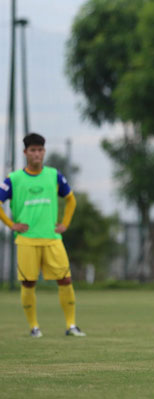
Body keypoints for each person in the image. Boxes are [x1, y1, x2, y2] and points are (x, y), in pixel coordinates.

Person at [0, 133, 85, 338]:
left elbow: (71, 200)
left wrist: (64, 224)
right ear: (25, 153)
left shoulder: (54, 175)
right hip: (27, 240)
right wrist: (11, 225)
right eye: (33, 150)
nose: (37, 154)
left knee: (65, 279)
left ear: (44, 152)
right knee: (28, 283)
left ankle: (71, 325)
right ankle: (34, 327)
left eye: (40, 150)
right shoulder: (13, 179)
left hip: (52, 239)